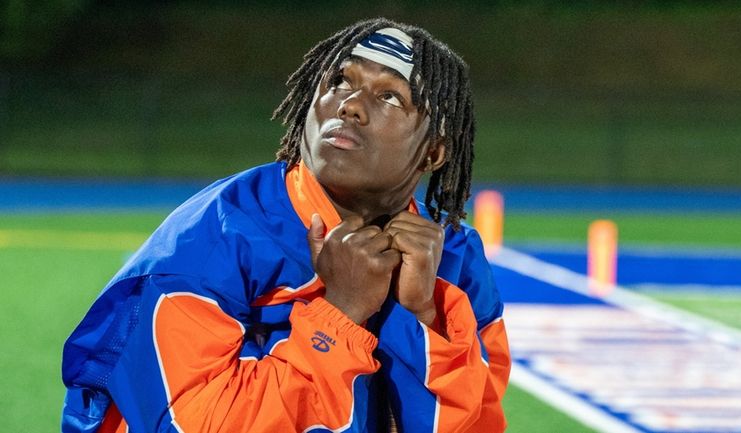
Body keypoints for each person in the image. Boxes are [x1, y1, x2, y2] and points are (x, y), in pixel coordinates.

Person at [62, 18, 511, 433]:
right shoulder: (210, 241)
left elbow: (479, 423)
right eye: (339, 81)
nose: (351, 105)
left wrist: (423, 318)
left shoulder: (454, 261)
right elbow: (185, 423)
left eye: (390, 95)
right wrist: (339, 315)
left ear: (434, 151)